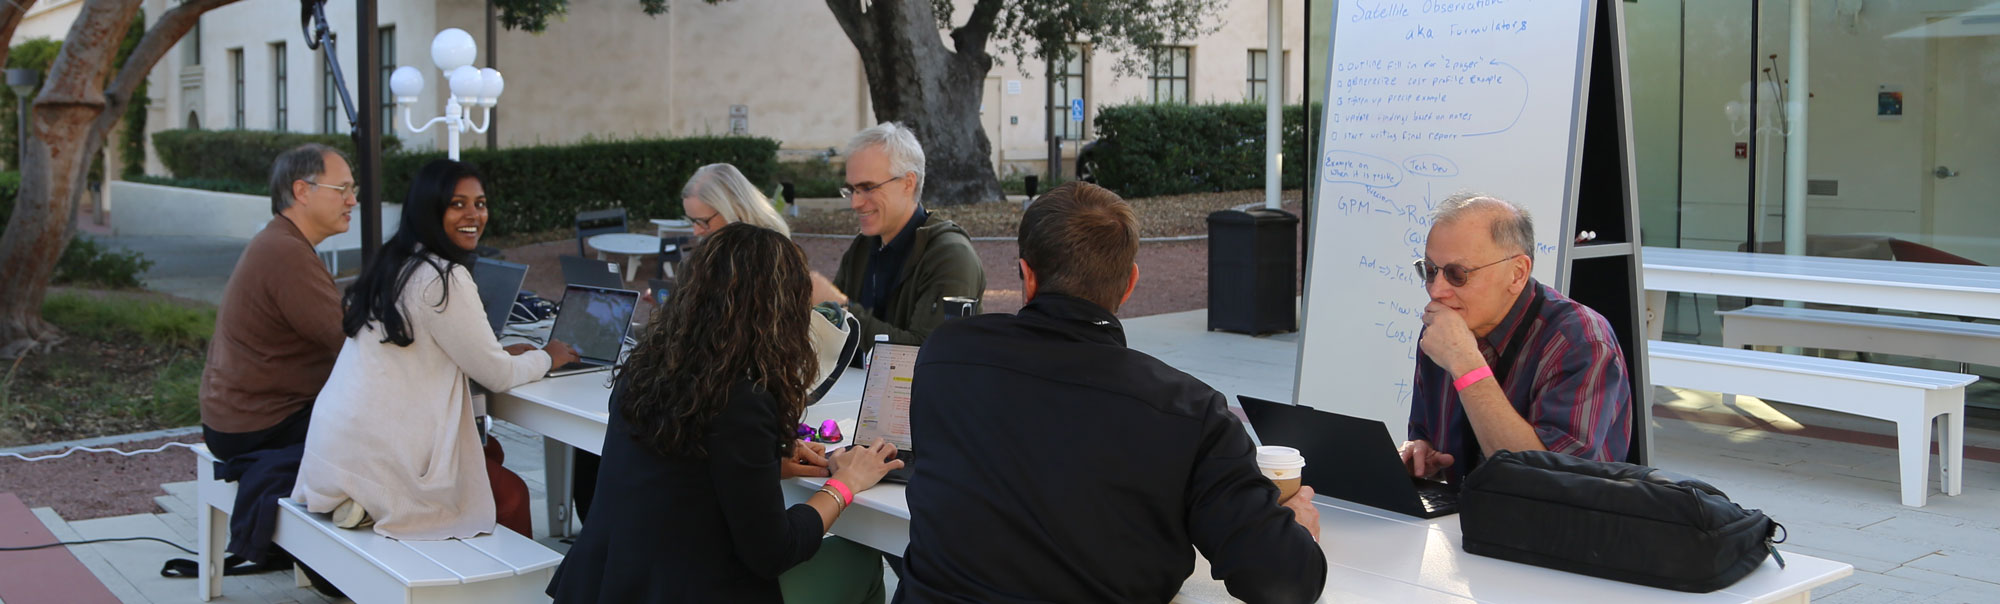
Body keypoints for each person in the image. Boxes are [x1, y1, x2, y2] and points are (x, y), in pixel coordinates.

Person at [897, 182, 1327, 603]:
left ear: (1027, 276)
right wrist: (1297, 530)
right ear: (1129, 284)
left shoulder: (945, 355)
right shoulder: (1189, 412)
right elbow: (1284, 582)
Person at [547, 223, 903, 603]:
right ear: (780, 310)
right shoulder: (742, 400)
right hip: (684, 590)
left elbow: (682, 472)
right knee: (859, 560)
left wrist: (768, 460)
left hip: (603, 585)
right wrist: (845, 484)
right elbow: (774, 552)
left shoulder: (645, 370)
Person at [292, 159, 579, 539]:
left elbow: (436, 348)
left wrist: (499, 352)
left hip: (336, 447)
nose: (473, 215)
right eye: (457, 204)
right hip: (382, 459)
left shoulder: (396, 262)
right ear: (430, 208)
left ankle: (368, 503)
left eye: (480, 203)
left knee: (488, 452)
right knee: (511, 495)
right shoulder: (444, 277)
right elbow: (496, 376)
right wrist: (548, 357)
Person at [191, 143, 353, 573]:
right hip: (255, 425)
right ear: (302, 191)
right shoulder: (285, 253)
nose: (352, 200)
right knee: (387, 434)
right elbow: (349, 344)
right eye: (343, 189)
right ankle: (342, 566)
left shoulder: (282, 242)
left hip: (241, 416)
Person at [1399, 194, 1633, 482]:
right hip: (1462, 515)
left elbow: (1545, 479)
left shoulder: (1581, 341)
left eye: (1457, 274)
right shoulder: (1445, 327)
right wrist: (1421, 451)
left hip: (1558, 522)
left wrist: (1466, 363)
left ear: (1517, 273)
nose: (1436, 290)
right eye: (1430, 271)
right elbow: (1425, 432)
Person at [818, 122, 985, 355]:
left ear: (908, 183)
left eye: (868, 188)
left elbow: (928, 354)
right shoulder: (864, 248)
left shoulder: (950, 256)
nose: (855, 203)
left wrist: (840, 308)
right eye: (852, 190)